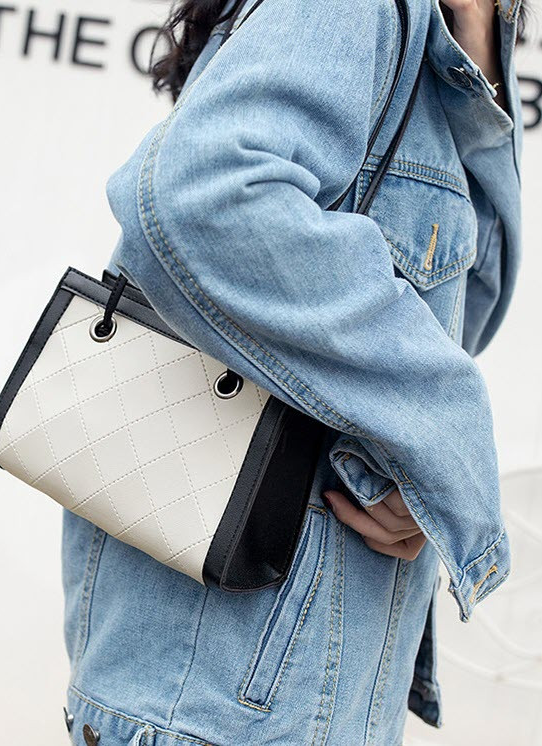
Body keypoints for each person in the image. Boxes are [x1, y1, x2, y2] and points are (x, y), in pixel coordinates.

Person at [61, 0, 526, 743]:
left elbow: (451, 319)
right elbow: (210, 193)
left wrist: (410, 478)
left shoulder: (454, 47)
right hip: (226, 694)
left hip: (282, 682)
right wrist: (442, 440)